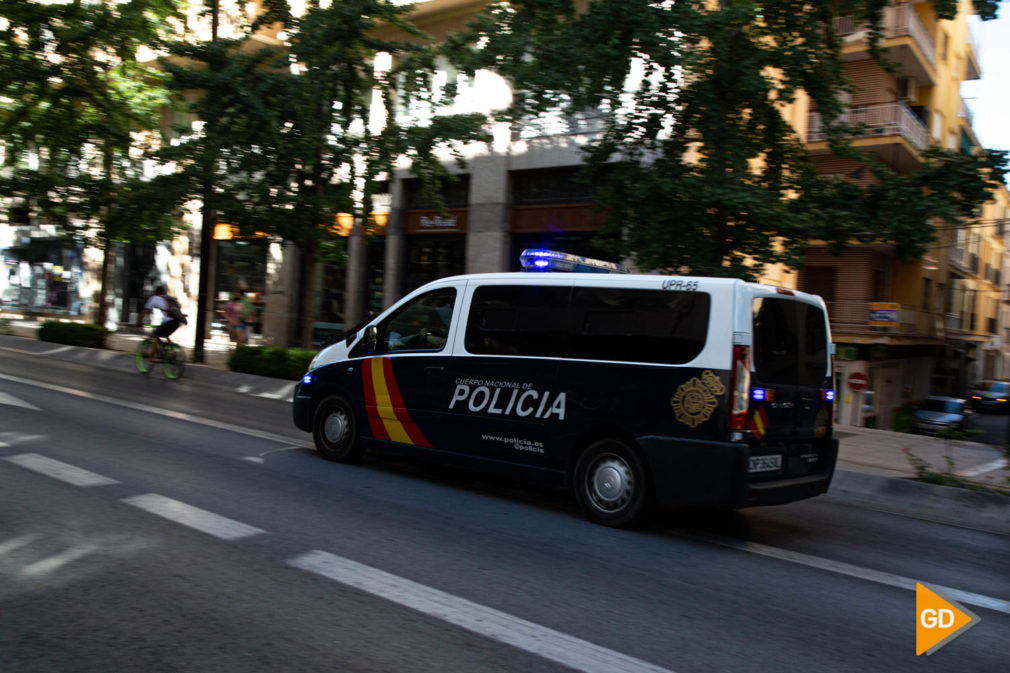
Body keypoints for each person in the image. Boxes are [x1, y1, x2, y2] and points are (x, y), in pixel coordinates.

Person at [141, 285, 184, 359]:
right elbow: (179, 306)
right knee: (165, 334)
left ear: (156, 292)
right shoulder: (168, 298)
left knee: (155, 335)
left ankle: (153, 357)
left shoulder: (155, 298)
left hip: (168, 322)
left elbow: (146, 311)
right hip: (177, 322)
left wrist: (139, 321)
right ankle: (173, 352)